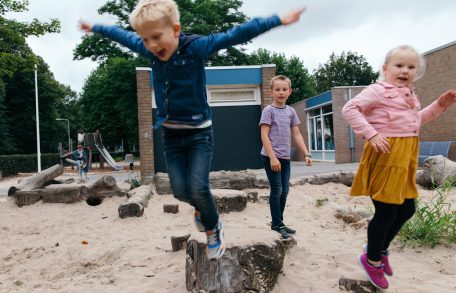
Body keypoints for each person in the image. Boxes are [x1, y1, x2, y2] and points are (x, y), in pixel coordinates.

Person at [79, 0, 305, 260]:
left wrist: (276, 20)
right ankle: (201, 208)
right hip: (171, 137)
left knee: (198, 187)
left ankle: (212, 227)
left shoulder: (196, 48)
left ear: (175, 30)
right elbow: (121, 35)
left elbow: (235, 34)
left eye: (156, 37)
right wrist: (95, 26)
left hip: (199, 135)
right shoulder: (150, 48)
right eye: (145, 39)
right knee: (179, 191)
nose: (151, 46)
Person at [342, 45, 456, 289]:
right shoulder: (378, 90)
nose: (405, 70)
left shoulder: (410, 95)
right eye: (399, 65)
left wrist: (439, 105)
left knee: (407, 210)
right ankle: (371, 260)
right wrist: (371, 133)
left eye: (411, 67)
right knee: (386, 213)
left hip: (404, 159)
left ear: (416, 72)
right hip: (385, 157)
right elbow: (350, 109)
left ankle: (380, 249)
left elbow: (418, 120)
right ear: (385, 69)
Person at [259, 75, 312, 240]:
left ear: (289, 91)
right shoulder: (268, 111)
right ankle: (277, 224)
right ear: (271, 92)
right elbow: (264, 136)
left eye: (284, 89)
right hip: (271, 157)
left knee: (285, 191)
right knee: (277, 190)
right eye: (277, 89)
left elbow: (296, 134)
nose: (281, 92)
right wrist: (273, 158)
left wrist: (306, 153)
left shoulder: (291, 111)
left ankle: (278, 222)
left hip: (285, 157)